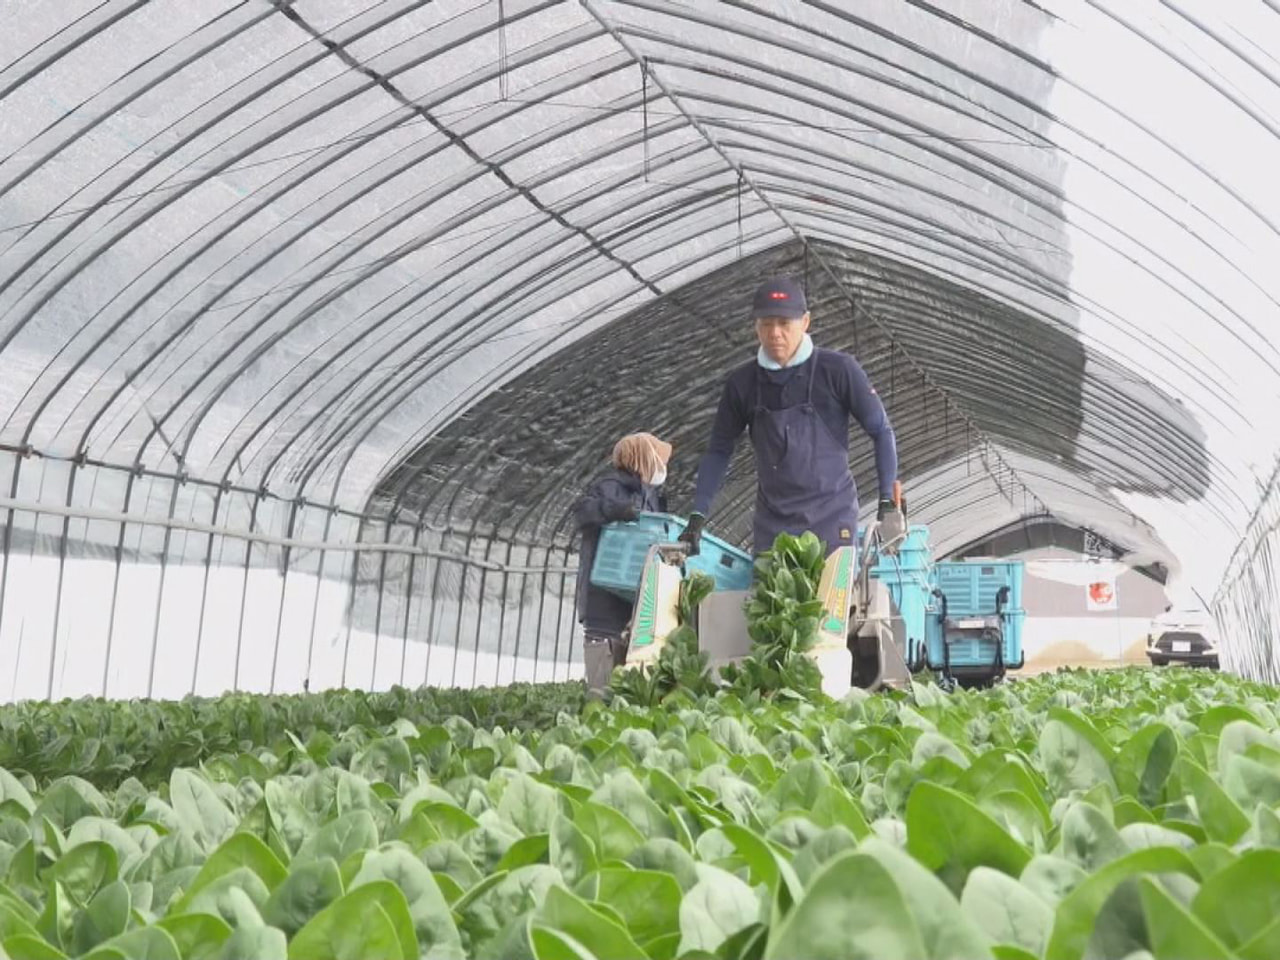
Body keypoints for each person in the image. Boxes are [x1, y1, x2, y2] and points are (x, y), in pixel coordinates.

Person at [679, 276, 905, 559]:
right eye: (766, 323)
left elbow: (881, 431)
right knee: (771, 602)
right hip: (772, 528)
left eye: (784, 323)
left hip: (832, 523)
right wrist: (698, 514)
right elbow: (719, 450)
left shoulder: (838, 370)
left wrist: (886, 500)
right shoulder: (742, 384)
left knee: (831, 603)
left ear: (805, 322)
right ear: (756, 327)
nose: (775, 333)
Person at [572, 432, 672, 686]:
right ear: (643, 458)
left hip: (636, 600)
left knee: (631, 678)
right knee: (603, 673)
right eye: (658, 459)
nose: (662, 467)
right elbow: (582, 513)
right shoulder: (610, 487)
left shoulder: (653, 498)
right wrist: (615, 510)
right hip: (604, 599)